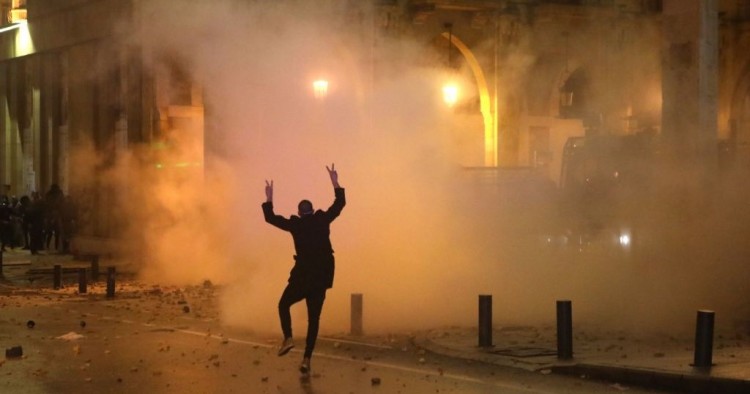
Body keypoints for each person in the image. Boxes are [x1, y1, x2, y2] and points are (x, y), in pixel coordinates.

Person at [262, 164, 346, 376]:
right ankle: (307, 359)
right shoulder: (322, 219)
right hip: (321, 278)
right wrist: (334, 181)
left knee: (283, 304)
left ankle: (288, 337)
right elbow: (340, 203)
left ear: (300, 212)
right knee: (314, 320)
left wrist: (269, 198)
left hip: (302, 278)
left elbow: (270, 218)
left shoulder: (296, 225)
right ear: (312, 209)